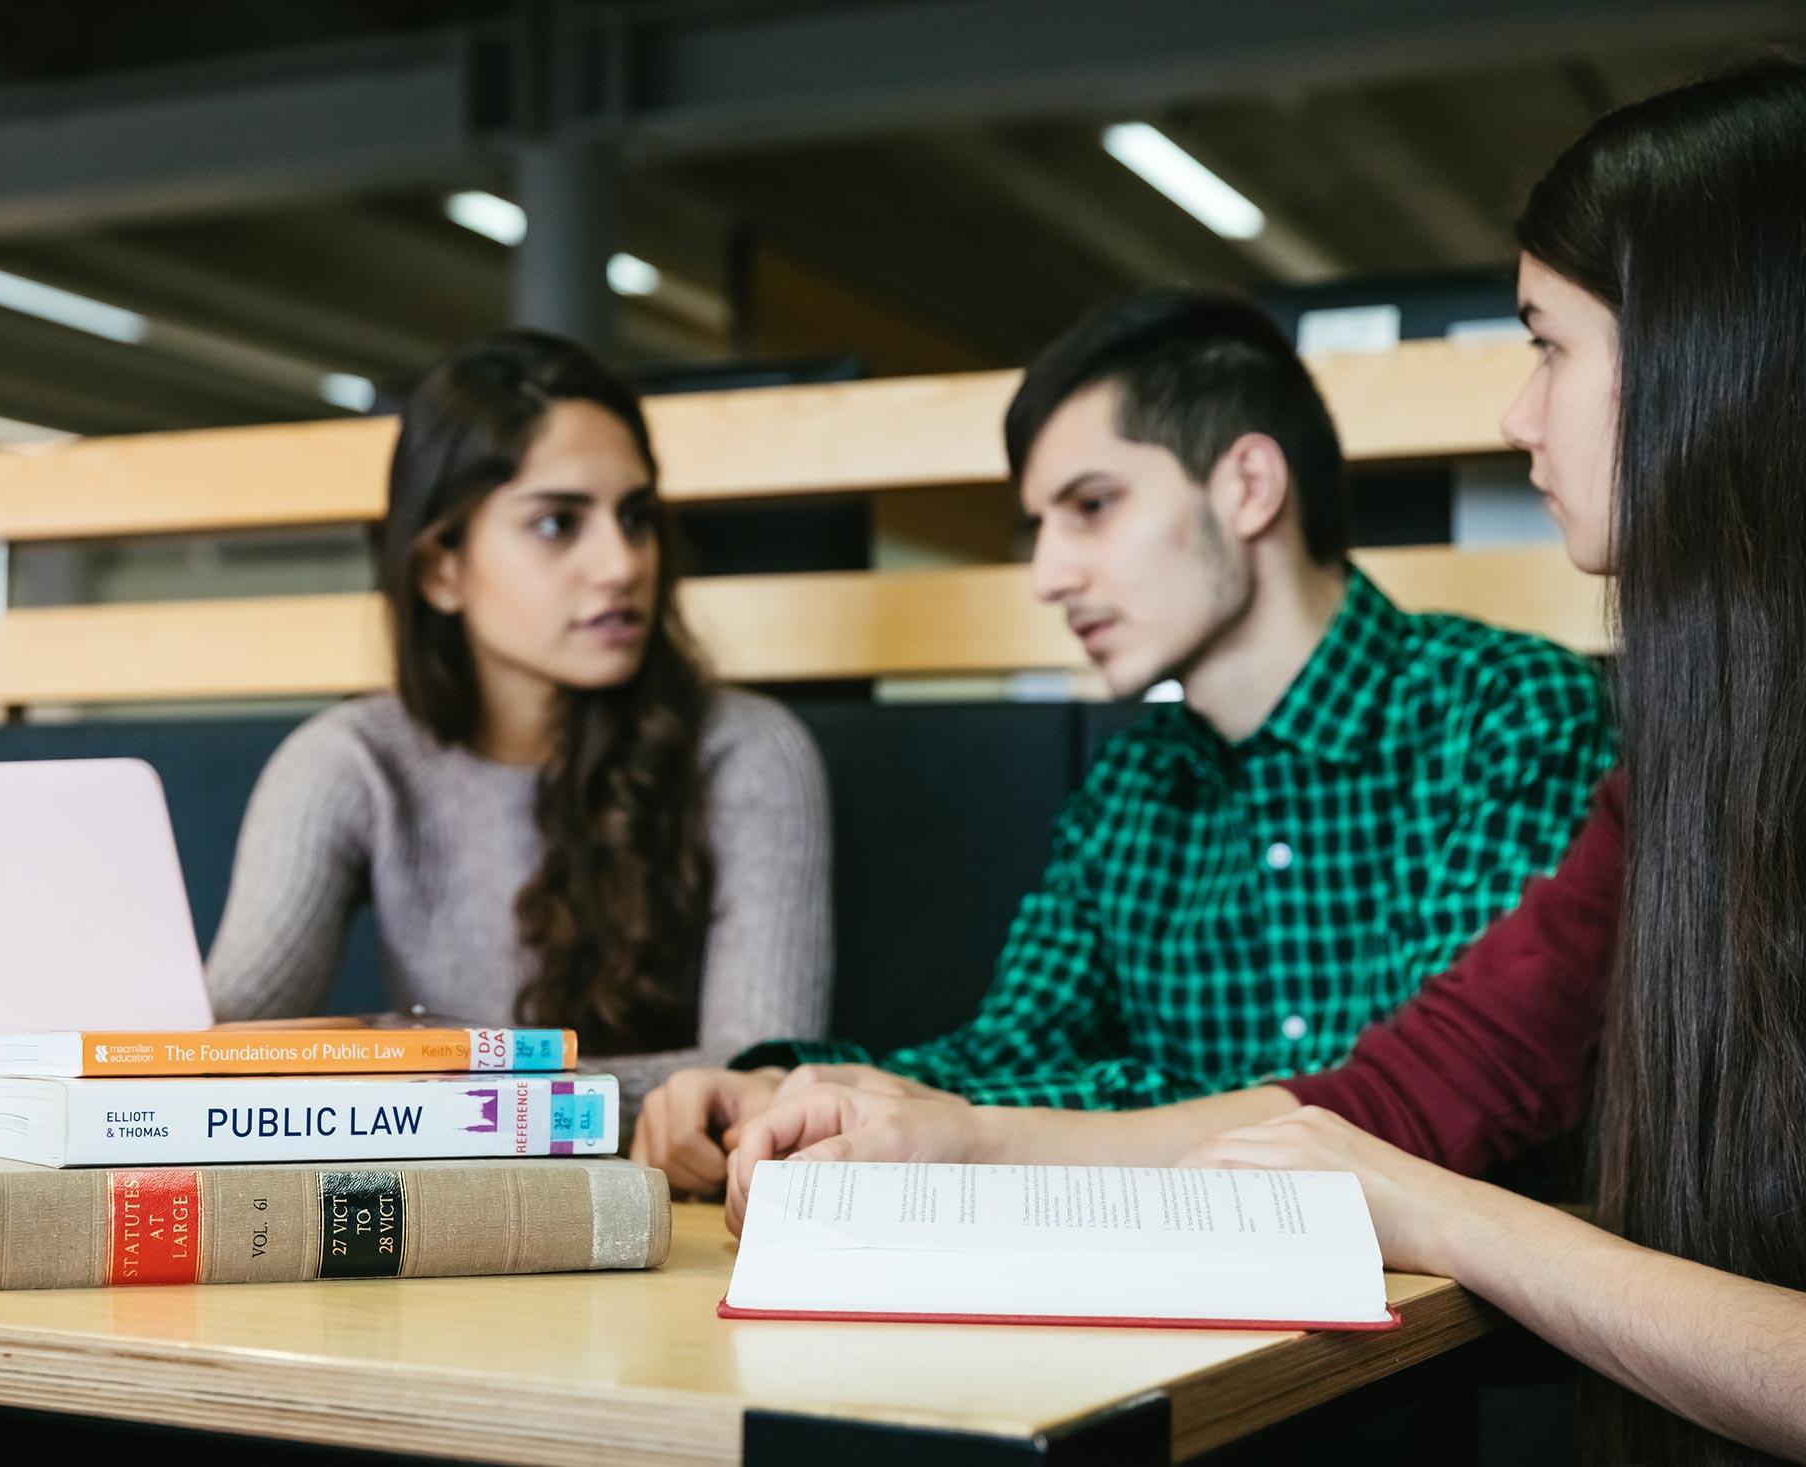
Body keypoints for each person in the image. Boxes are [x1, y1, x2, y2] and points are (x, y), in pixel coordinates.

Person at [723, 61, 1806, 1466]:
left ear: (1710, 345)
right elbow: (1394, 1099)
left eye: (1546, 342)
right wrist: (892, 1110)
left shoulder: (1509, 713)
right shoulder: (1682, 752)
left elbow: (1418, 1142)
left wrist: (1416, 1197)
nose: (1514, 415)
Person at [634, 287, 1612, 1192]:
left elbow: (1404, 1107)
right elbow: (1008, 1050)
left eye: (1091, 507)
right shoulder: (1132, 785)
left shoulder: (1509, 715)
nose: (1050, 575)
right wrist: (799, 1092)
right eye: (1039, 527)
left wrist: (968, 1124)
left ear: (1247, 485)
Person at [204, 329, 833, 1112]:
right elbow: (216, 1046)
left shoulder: (748, 750)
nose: (623, 563)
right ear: (442, 570)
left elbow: (752, 1081)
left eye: (634, 517)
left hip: (670, 1205)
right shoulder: (352, 761)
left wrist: (434, 1092)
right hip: (440, 1204)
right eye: (557, 523)